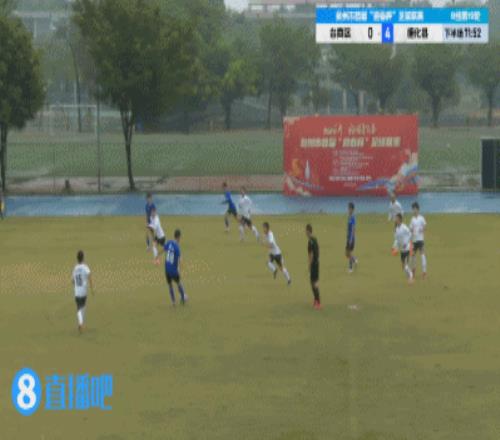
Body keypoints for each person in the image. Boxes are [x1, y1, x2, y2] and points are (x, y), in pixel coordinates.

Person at [158, 229, 187, 306]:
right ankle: (183, 298)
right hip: (173, 270)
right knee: (178, 283)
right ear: (179, 237)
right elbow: (180, 260)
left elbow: (163, 249)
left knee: (170, 285)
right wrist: (181, 269)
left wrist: (157, 255)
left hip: (167, 269)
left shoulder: (169, 242)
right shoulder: (177, 248)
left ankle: (173, 302)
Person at [71, 250, 94, 333]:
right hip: (84, 290)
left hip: (77, 291)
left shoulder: (75, 268)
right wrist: (91, 288)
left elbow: (72, 280)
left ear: (77, 258)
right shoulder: (85, 267)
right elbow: (89, 276)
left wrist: (75, 285)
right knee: (83, 307)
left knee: (78, 308)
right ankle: (81, 324)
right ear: (83, 258)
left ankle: (80, 324)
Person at [392, 213, 414, 283]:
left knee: (406, 265)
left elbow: (410, 234)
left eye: (396, 218)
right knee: (403, 267)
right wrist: (394, 247)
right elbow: (396, 239)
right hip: (402, 250)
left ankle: (411, 277)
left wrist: (406, 243)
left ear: (400, 219)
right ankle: (409, 277)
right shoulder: (396, 229)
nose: (395, 219)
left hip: (407, 248)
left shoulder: (404, 227)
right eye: (395, 218)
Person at [409, 202, 427, 278]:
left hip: (420, 239)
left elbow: (425, 226)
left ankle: (424, 272)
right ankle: (413, 270)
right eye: (413, 209)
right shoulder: (412, 219)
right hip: (414, 240)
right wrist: (411, 232)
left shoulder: (421, 218)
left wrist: (422, 229)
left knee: (422, 254)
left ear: (418, 209)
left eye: (415, 209)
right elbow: (410, 228)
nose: (414, 211)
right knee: (413, 255)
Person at [306, 224, 321, 310]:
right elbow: (318, 250)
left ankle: (318, 302)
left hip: (314, 264)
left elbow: (311, 255)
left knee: (314, 283)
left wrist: (309, 265)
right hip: (317, 263)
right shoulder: (315, 239)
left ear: (308, 231)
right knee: (313, 282)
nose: (305, 233)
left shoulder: (310, 241)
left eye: (306, 231)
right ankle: (316, 300)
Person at [346, 202, 358, 273]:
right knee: (347, 254)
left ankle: (350, 268)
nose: (348, 210)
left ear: (352, 209)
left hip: (351, 238)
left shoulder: (353, 217)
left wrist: (351, 239)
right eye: (348, 208)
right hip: (348, 237)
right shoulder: (349, 216)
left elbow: (353, 228)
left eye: (350, 208)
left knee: (349, 253)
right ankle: (354, 259)